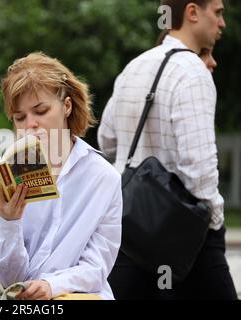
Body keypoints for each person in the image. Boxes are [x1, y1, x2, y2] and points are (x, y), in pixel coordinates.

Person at [98, 0, 237, 299]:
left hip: (128, 225)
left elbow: (107, 139)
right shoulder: (193, 72)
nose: (222, 23)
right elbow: (198, 170)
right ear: (192, 13)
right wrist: (214, 227)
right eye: (218, 12)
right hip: (181, 231)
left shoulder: (135, 66)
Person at [0, 52, 122, 300]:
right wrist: (8, 223)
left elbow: (97, 267)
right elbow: (6, 281)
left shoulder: (103, 177)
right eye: (20, 117)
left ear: (66, 106)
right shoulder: (4, 175)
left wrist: (51, 285)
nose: (31, 124)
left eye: (41, 110)